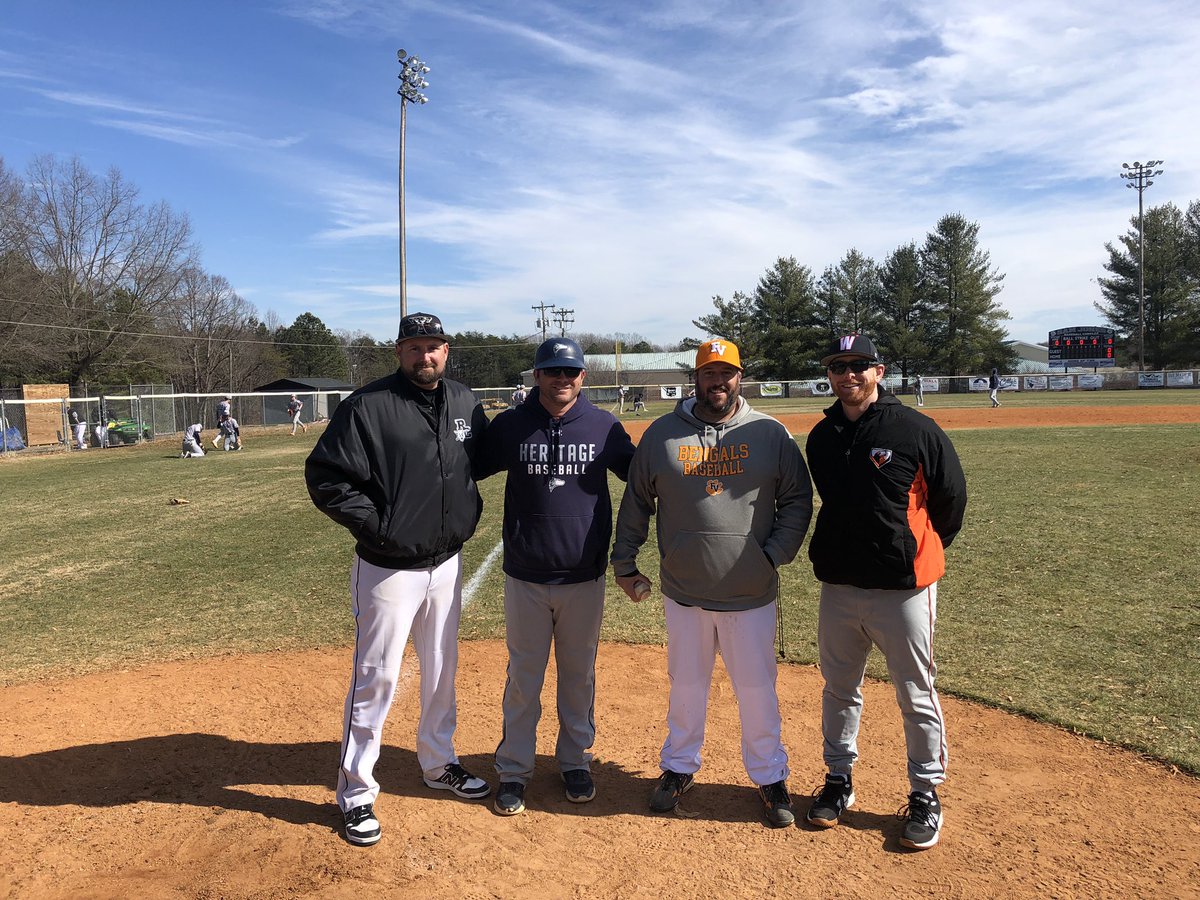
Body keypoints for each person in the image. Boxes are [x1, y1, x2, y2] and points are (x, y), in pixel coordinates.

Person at [305, 311, 492, 847]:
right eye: (414, 347)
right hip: (388, 568)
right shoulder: (367, 406)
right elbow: (326, 476)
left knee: (440, 669)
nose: (424, 356)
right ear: (399, 352)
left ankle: (438, 762)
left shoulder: (463, 401)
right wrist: (379, 528)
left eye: (433, 346)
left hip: (446, 562)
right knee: (377, 677)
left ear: (446, 351)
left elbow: (474, 463)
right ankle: (357, 791)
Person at [610, 338, 812, 829]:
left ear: (740, 377)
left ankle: (769, 776)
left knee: (757, 689)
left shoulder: (769, 432)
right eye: (708, 373)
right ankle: (679, 768)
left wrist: (771, 557)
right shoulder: (662, 435)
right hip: (685, 592)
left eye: (727, 373)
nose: (717, 382)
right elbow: (637, 501)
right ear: (694, 378)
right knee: (687, 686)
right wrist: (624, 561)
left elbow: (798, 500)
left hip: (750, 594)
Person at [804, 333, 967, 850]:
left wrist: (908, 549)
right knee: (838, 688)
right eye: (837, 365)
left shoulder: (916, 429)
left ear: (879, 370)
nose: (847, 374)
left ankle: (925, 793)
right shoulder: (822, 435)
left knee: (916, 693)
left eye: (857, 365)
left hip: (903, 588)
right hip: (840, 586)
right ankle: (838, 779)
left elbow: (950, 502)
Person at [475, 338, 635, 816]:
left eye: (570, 372)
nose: (561, 379)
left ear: (583, 377)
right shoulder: (512, 424)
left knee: (578, 675)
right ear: (537, 375)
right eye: (552, 371)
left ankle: (574, 760)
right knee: (524, 676)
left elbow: (644, 477)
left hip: (583, 577)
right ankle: (514, 769)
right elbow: (464, 470)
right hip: (525, 574)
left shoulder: (604, 426)